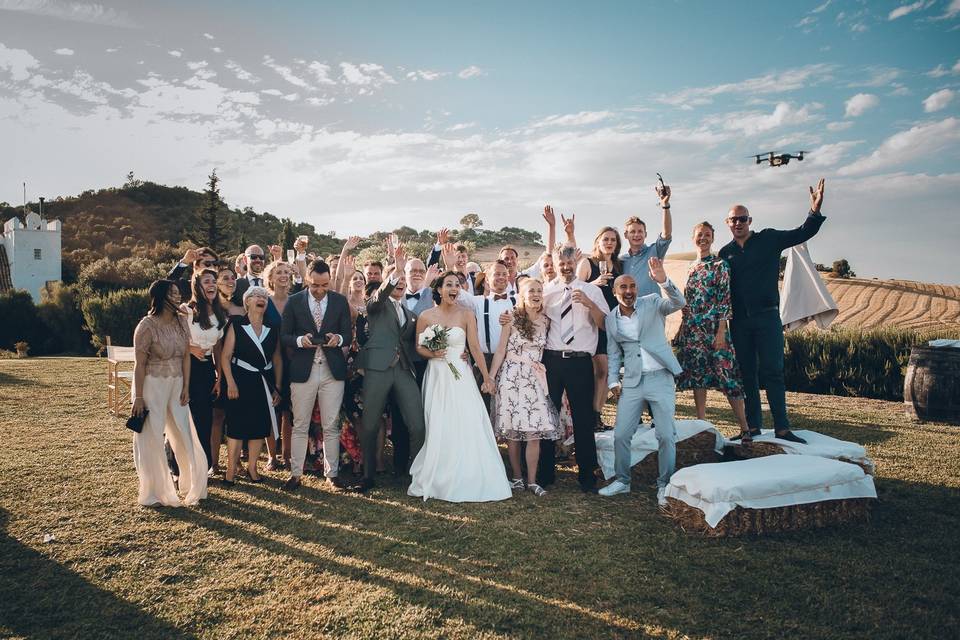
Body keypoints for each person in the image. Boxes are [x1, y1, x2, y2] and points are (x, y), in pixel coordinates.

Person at [718, 179, 828, 444]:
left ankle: (782, 428)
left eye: (742, 219)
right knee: (747, 374)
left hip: (768, 318)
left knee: (773, 372)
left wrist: (814, 212)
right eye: (734, 220)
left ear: (750, 220)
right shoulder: (725, 253)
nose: (738, 223)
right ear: (728, 223)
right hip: (740, 322)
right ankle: (753, 426)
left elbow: (800, 233)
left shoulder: (768, 238)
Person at [408, 271, 512, 503]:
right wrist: (433, 352)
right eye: (449, 285)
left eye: (457, 285)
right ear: (439, 290)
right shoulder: (425, 316)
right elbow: (419, 348)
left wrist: (487, 377)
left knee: (466, 418)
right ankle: (439, 472)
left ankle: (470, 471)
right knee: (439, 420)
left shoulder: (467, 314)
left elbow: (474, 348)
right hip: (436, 374)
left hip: (460, 375)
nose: (454, 288)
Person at [599, 268, 685, 506]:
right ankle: (622, 481)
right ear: (615, 292)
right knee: (621, 435)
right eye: (623, 288)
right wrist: (614, 381)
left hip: (661, 379)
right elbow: (614, 353)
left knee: (666, 435)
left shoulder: (653, 302)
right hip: (633, 383)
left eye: (632, 286)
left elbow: (679, 302)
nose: (629, 291)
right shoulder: (611, 318)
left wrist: (665, 281)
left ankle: (664, 484)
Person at [354, 246, 427, 492]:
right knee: (370, 422)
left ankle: (417, 473)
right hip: (377, 368)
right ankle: (367, 475)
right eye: (398, 280)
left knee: (417, 424)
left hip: (403, 370)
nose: (401, 284)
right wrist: (396, 268)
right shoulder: (375, 304)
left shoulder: (410, 314)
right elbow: (379, 295)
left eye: (404, 281)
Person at [131, 280, 208, 506]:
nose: (177, 297)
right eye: (172, 293)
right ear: (161, 296)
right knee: (152, 436)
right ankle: (154, 491)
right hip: (152, 385)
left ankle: (192, 484)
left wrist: (185, 386)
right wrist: (138, 397)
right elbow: (139, 364)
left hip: (177, 384)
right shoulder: (146, 326)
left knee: (185, 432)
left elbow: (186, 355)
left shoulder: (182, 321)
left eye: (178, 293)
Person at [539, 244, 609, 492]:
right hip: (552, 359)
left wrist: (590, 304)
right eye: (562, 264)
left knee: (583, 418)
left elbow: (604, 325)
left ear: (576, 263)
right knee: (549, 417)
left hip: (580, 361)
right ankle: (545, 473)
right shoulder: (546, 290)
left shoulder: (591, 290)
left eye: (570, 263)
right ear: (556, 263)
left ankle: (587, 474)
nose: (566, 268)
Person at [673, 222, 750, 439]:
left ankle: (745, 428)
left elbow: (725, 300)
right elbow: (687, 301)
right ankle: (701, 424)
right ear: (693, 238)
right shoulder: (691, 267)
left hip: (714, 329)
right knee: (698, 377)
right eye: (699, 235)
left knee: (727, 376)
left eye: (707, 235)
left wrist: (721, 332)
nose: (703, 238)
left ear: (713, 238)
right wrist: (682, 327)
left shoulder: (720, 265)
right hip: (692, 330)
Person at [280, 259, 352, 491]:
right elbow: (284, 336)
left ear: (330, 280)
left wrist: (337, 339)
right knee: (300, 424)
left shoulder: (340, 301)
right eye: (315, 286)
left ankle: (332, 474)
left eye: (325, 285)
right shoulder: (293, 302)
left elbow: (347, 336)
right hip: (303, 370)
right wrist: (301, 341)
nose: (320, 291)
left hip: (333, 370)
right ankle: (295, 474)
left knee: (331, 424)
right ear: (307, 280)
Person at [489, 277, 561, 497]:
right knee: (512, 431)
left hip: (535, 380)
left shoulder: (547, 321)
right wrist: (491, 377)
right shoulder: (511, 318)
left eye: (539, 290)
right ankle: (517, 478)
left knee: (534, 431)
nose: (536, 294)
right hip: (512, 376)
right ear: (522, 294)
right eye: (531, 291)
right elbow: (501, 349)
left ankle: (532, 481)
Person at [220, 286, 283, 485]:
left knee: (259, 427)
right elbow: (226, 356)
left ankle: (253, 469)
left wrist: (277, 387)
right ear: (247, 302)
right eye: (256, 295)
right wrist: (230, 381)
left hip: (263, 381)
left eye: (264, 296)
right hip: (239, 379)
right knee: (237, 426)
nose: (261, 298)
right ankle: (230, 471)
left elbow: (277, 358)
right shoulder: (237, 324)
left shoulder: (272, 328)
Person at [577, 226, 623, 429]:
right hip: (591, 323)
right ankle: (590, 415)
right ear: (597, 241)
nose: (609, 242)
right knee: (599, 370)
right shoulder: (588, 263)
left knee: (606, 371)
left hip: (612, 322)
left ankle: (597, 415)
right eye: (605, 239)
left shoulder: (619, 265)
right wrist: (595, 282)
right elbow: (574, 288)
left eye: (613, 239)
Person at [182, 268, 226, 473]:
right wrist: (190, 347)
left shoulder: (219, 315)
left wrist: (219, 376)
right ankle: (178, 466)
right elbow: (169, 334)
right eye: (206, 281)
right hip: (185, 367)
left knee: (204, 419)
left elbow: (217, 347)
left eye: (213, 281)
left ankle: (202, 466)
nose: (212, 285)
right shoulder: (187, 310)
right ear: (197, 286)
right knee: (184, 417)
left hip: (207, 369)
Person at [262, 259, 297, 470]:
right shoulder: (264, 302)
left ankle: (287, 456)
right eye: (278, 272)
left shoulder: (296, 301)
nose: (283, 275)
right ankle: (271, 456)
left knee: (289, 411)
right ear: (271, 278)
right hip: (268, 361)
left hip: (293, 360)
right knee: (271, 408)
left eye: (286, 272)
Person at [620, 184, 673, 298]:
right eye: (632, 232)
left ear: (645, 234)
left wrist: (665, 206)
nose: (637, 235)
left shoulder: (655, 251)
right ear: (626, 235)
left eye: (640, 231)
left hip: (652, 311)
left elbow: (666, 234)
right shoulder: (621, 260)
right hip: (629, 311)